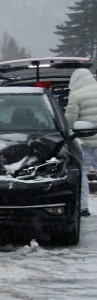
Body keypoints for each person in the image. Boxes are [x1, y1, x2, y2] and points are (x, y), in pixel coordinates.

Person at [64, 67, 97, 217]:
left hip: (84, 142)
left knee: (82, 174)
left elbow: (70, 120)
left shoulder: (76, 95)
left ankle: (83, 207)